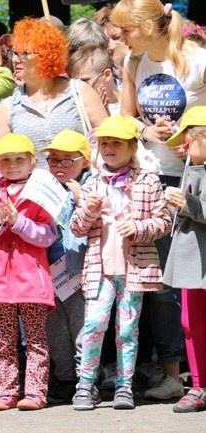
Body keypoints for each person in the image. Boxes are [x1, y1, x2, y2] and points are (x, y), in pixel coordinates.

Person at [111, 0, 206, 400]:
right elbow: (128, 115)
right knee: (165, 285)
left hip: (195, 176)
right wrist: (146, 132)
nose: (119, 39)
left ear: (150, 25)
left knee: (197, 283)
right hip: (156, 176)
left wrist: (195, 138)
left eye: (125, 31)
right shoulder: (134, 63)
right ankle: (173, 375)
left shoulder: (197, 59)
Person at [70, 115, 171, 411]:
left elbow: (163, 222)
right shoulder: (92, 183)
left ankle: (124, 386)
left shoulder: (149, 181)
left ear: (132, 146)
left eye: (116, 142)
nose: (109, 148)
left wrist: (138, 228)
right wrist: (88, 211)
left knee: (127, 329)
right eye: (104, 143)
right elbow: (77, 228)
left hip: (133, 271)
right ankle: (85, 384)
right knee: (93, 325)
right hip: (99, 271)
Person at [0, 133, 57, 411]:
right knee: (4, 340)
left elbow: (47, 236)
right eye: (6, 160)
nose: (13, 165)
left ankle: (35, 392)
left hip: (31, 281)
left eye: (20, 159)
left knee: (35, 340)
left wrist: (18, 221)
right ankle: (7, 390)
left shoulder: (39, 196)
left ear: (33, 163)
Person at [0, 18, 108, 170]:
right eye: (14, 53)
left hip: (83, 189)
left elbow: (107, 141)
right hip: (32, 192)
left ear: (47, 55)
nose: (15, 60)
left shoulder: (80, 91)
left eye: (25, 53)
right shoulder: (7, 107)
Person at [39, 129, 92, 404]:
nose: (58, 166)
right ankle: (65, 377)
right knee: (55, 327)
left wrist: (80, 198)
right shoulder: (44, 187)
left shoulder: (91, 185)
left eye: (66, 160)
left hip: (79, 268)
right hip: (49, 268)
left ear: (84, 161)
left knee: (82, 326)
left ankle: (87, 379)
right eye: (53, 160)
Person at [163, 106, 206, 413]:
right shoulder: (190, 169)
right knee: (189, 321)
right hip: (193, 261)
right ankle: (200, 385)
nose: (183, 148)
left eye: (188, 141)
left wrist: (188, 202)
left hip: (200, 259)